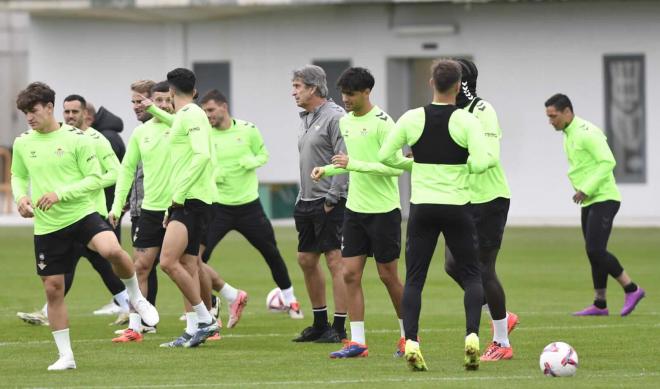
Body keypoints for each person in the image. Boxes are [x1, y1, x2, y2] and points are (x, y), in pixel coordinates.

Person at [10, 82, 158, 370]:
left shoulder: (78, 138)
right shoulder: (23, 142)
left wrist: (60, 194)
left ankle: (136, 299)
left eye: (33, 110)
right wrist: (21, 198)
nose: (29, 117)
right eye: (25, 112)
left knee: (112, 250)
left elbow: (95, 178)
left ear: (49, 108)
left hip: (81, 213)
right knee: (54, 289)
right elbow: (17, 175)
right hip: (47, 226)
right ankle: (66, 356)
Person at [378, 59, 495, 371]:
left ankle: (412, 341)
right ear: (458, 86)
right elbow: (484, 163)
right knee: (471, 275)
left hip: (423, 208)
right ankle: (472, 336)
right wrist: (459, 165)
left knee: (415, 278)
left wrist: (416, 164)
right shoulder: (467, 121)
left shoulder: (412, 118)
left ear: (431, 82)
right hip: (458, 206)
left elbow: (385, 156)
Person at [311, 67, 412, 358]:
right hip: (355, 210)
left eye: (351, 94)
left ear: (367, 92)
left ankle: (408, 336)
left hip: (384, 211)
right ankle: (358, 342)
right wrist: (327, 169)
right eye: (343, 93)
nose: (346, 99)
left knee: (388, 276)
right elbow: (347, 162)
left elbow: (395, 168)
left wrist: (352, 164)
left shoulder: (384, 124)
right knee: (349, 274)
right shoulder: (345, 122)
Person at [16, 94, 130, 328]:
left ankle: (133, 304)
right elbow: (18, 174)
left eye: (74, 112)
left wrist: (73, 191)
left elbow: (113, 174)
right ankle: (127, 306)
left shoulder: (94, 139)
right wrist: (22, 198)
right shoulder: (30, 141)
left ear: (86, 115)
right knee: (65, 273)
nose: (69, 116)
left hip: (91, 211)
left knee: (108, 260)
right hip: (56, 218)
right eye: (67, 112)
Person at [199, 89, 302, 323]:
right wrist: (214, 174)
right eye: (205, 111)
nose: (208, 115)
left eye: (211, 110)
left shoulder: (248, 129)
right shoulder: (205, 134)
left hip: (249, 207)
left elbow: (263, 155)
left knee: (272, 253)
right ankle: (211, 301)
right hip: (218, 208)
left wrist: (251, 162)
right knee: (197, 259)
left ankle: (291, 300)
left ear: (224, 107)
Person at [444, 58, 518, 362]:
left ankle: (502, 342)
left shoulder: (482, 111)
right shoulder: (452, 112)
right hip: (462, 199)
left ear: (461, 82)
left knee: (483, 268)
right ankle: (502, 315)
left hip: (488, 198)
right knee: (452, 265)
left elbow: (489, 154)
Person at [544, 93, 645, 317]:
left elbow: (608, 161)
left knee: (595, 250)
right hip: (590, 200)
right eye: (548, 117)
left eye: (553, 116)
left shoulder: (586, 132)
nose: (551, 122)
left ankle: (632, 288)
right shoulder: (568, 133)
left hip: (604, 198)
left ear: (567, 112)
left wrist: (585, 188)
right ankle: (600, 304)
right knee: (593, 253)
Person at [143, 68, 219, 348]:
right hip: (186, 200)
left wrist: (178, 196)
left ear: (172, 93)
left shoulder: (193, 115)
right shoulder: (185, 116)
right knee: (187, 264)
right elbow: (175, 124)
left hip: (192, 200)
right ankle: (192, 329)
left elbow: (202, 156)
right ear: (194, 91)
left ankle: (206, 319)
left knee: (167, 262)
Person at [108, 81, 175, 342]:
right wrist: (117, 205)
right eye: (156, 101)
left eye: (165, 100)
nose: (160, 105)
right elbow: (126, 169)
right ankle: (136, 327)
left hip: (180, 208)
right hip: (148, 210)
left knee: (184, 266)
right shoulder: (141, 133)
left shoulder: (183, 125)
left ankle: (204, 318)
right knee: (141, 267)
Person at [291, 65, 349, 343]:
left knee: (335, 261)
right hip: (306, 200)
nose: (294, 92)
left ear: (313, 88)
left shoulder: (335, 117)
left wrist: (332, 198)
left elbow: (344, 159)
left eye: (298, 86)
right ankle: (319, 323)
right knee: (305, 259)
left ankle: (338, 328)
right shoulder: (307, 117)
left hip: (328, 201)